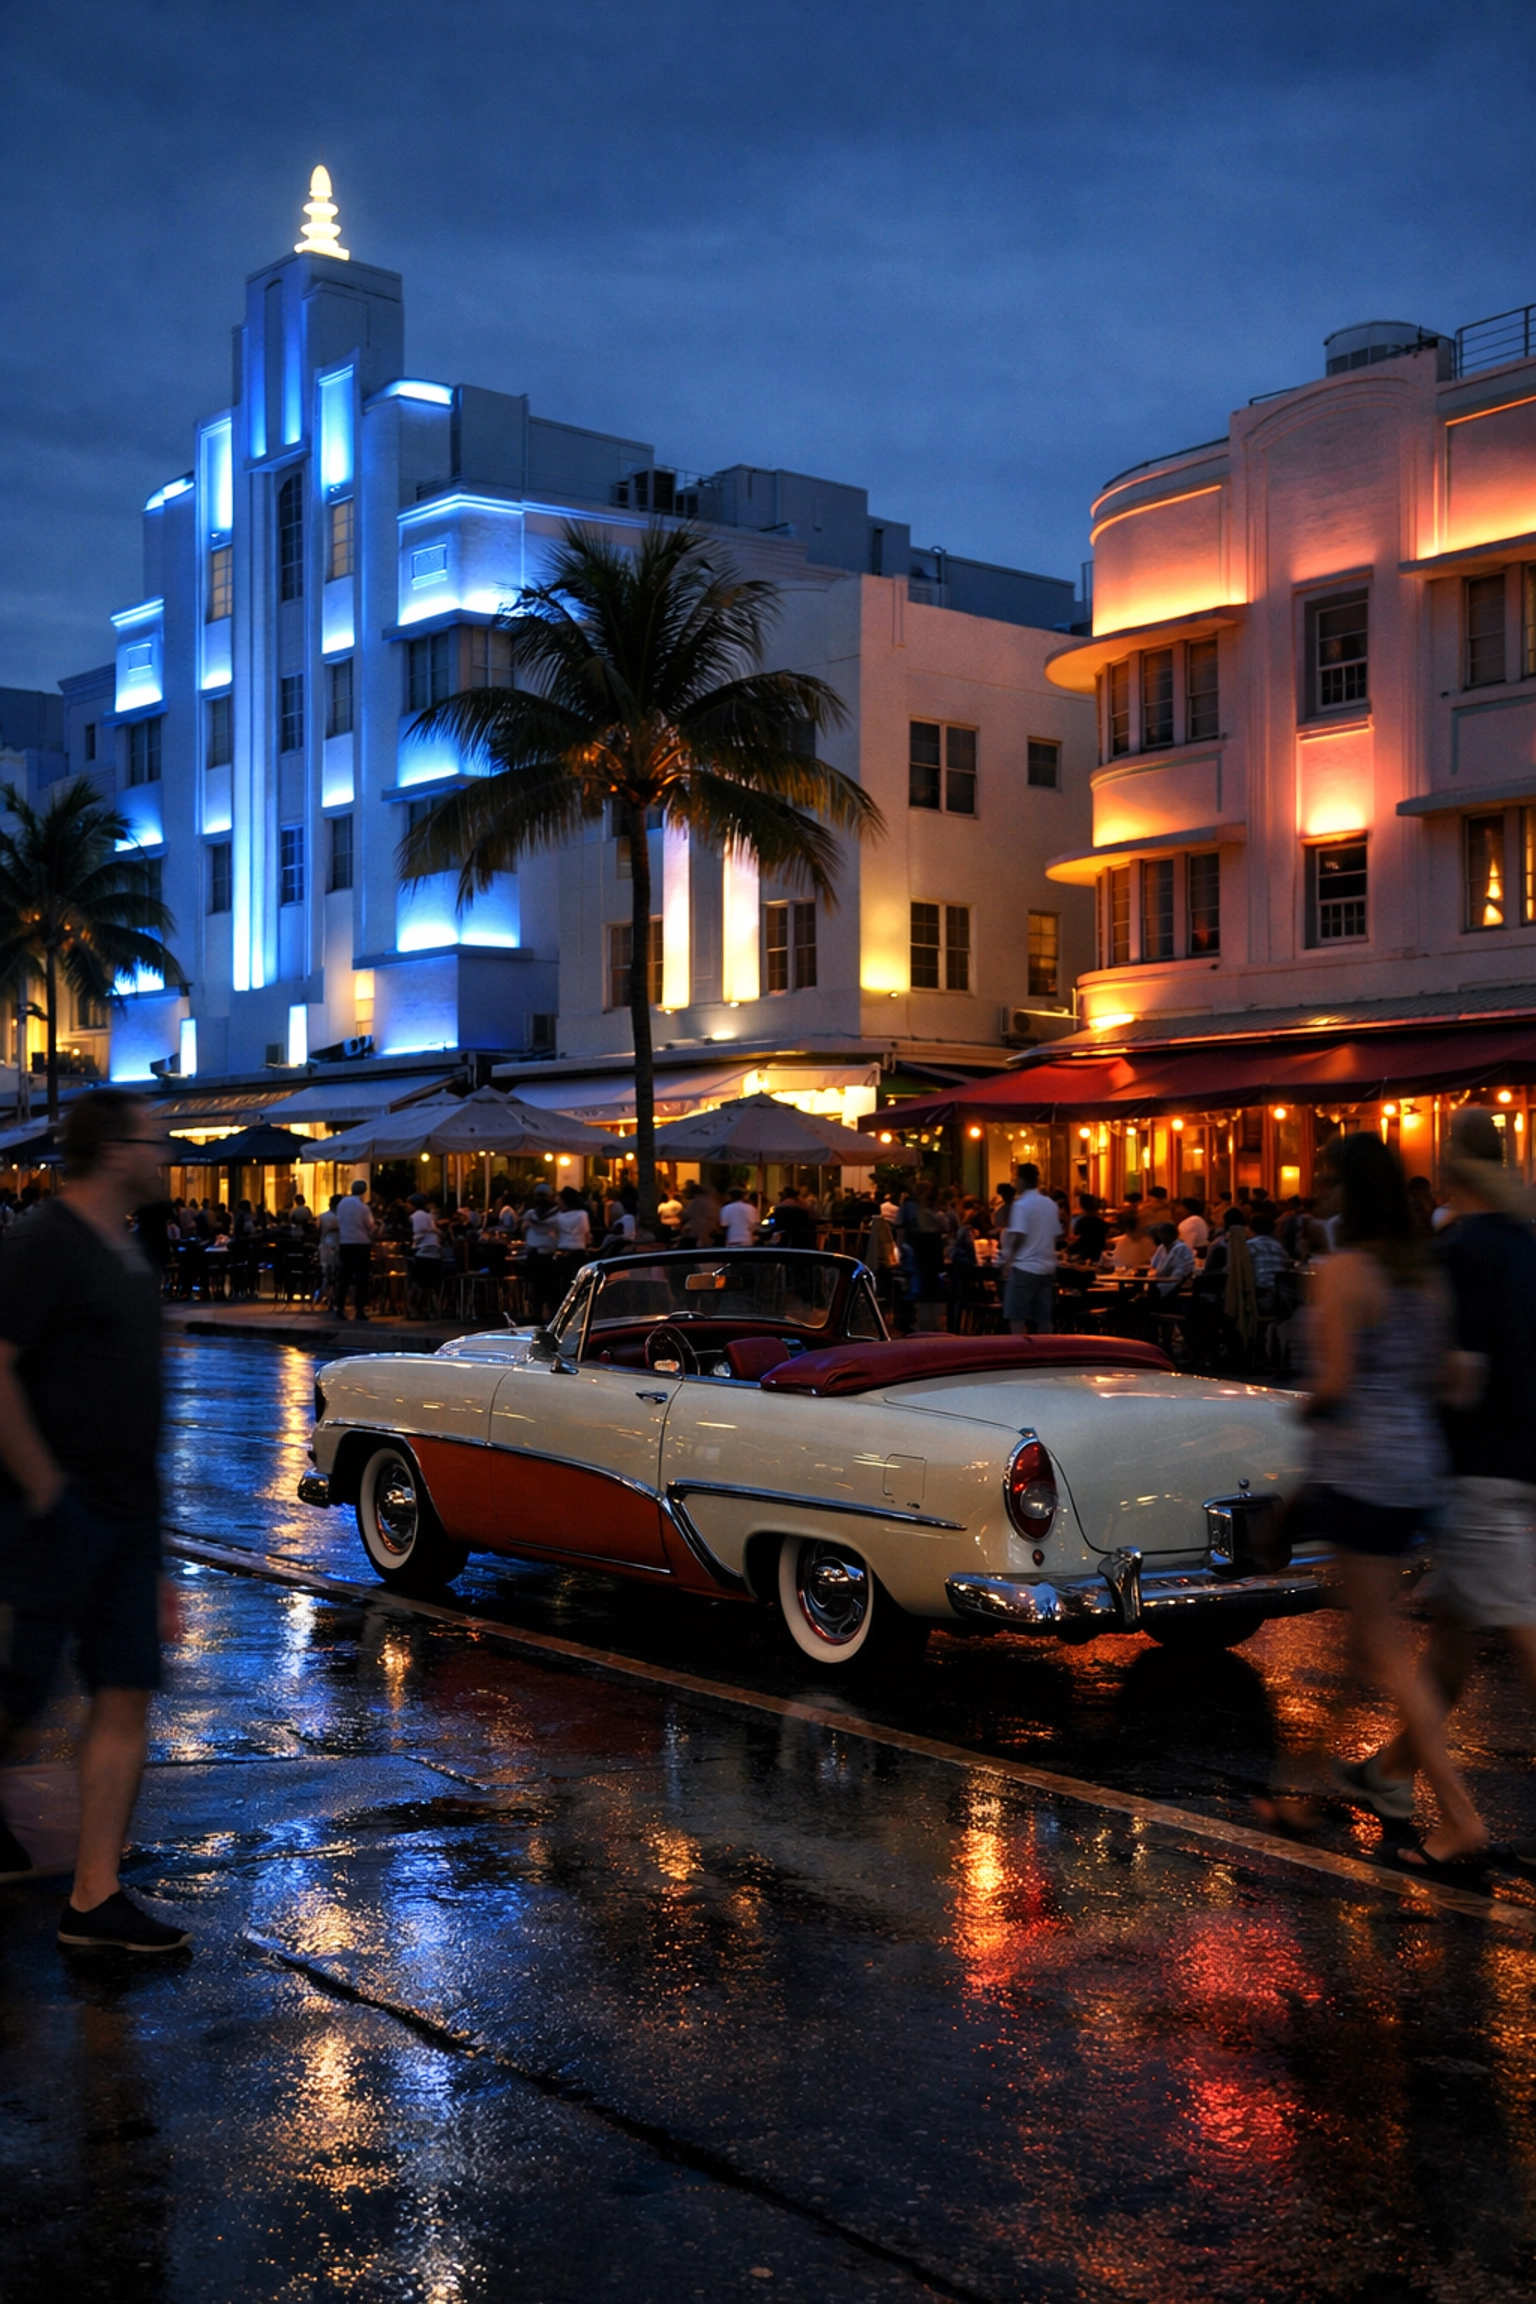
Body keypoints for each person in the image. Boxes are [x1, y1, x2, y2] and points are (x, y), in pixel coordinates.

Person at [1258, 1131, 1483, 1865]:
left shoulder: (1342, 1271)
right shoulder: (1425, 1273)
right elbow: (1450, 1378)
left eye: (1328, 1181)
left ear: (1349, 1191)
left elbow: (1334, 1385)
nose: (1320, 1192)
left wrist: (1297, 1408)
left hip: (1360, 1472)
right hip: (1418, 1470)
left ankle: (1459, 1813)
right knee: (1363, 1643)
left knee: (1382, 1647)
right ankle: (1298, 1795)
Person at [0, 1088, 190, 1952]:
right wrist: (45, 1491)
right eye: (156, 1141)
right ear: (115, 1150)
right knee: (16, 1699)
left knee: (124, 1693)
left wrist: (153, 1559)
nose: (167, 1155)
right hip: (48, 1516)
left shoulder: (129, 1251)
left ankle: (93, 1896)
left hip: (122, 1517)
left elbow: (139, 1405)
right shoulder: (43, 1243)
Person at [1342, 1109, 1536, 1876]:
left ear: (1451, 1168)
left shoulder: (1455, 1253)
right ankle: (1391, 1770)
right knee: (1456, 1628)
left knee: (1519, 1625)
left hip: (1477, 1464)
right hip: (1522, 1458)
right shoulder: (1528, 1242)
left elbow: (1450, 1370)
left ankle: (1458, 1826)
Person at [997, 1162, 1061, 1334]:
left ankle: (1018, 1353)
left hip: (1025, 1267)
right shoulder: (1050, 1204)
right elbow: (1056, 1234)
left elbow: (1019, 1235)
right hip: (1047, 1267)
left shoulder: (1021, 1205)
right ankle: (1044, 1354)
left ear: (1022, 1180)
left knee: (1016, 1316)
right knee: (1044, 1318)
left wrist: (1008, 1262)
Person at [335, 1179, 376, 1321]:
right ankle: (359, 1310)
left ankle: (339, 1308)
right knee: (362, 1278)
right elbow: (370, 1226)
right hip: (361, 1243)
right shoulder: (363, 1207)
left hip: (345, 1242)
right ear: (364, 1191)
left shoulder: (342, 1204)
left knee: (344, 1277)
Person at [315, 1190, 342, 1309]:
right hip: (340, 1247)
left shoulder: (322, 1216)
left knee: (326, 1272)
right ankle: (333, 1297)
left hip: (325, 1246)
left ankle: (325, 1294)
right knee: (337, 1273)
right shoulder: (344, 1217)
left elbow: (318, 1231)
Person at [771, 1185, 818, 1252]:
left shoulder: (779, 1206)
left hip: (783, 1238)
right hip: (801, 1239)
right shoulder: (802, 1205)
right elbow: (812, 1217)